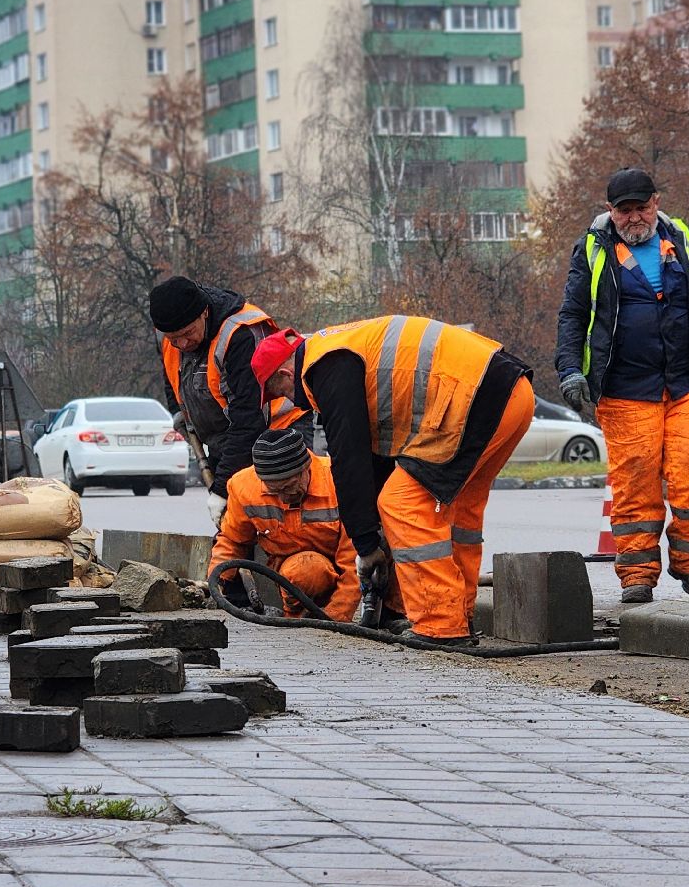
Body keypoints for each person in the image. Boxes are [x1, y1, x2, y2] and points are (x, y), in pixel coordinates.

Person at [250, 317, 534, 645]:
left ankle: (441, 627)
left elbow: (349, 458)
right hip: (511, 393)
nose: (291, 401)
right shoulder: (342, 350)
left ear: (285, 374)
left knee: (401, 502)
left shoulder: (326, 366)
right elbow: (375, 459)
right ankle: (458, 616)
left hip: (471, 399)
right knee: (458, 512)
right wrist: (372, 535)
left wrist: (366, 545)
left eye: (280, 392)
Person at [554, 168, 689, 605]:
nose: (634, 217)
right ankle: (637, 574)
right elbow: (573, 316)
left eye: (641, 207)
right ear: (610, 211)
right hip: (625, 389)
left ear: (655, 202)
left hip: (685, 382)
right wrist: (570, 371)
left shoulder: (683, 241)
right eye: (624, 210)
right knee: (635, 485)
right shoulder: (594, 249)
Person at [149, 276, 281, 524]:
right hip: (229, 437)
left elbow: (248, 419)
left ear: (205, 313)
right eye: (173, 338)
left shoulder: (241, 334)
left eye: (188, 333)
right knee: (233, 527)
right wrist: (179, 413)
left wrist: (221, 488)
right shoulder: (167, 336)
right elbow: (172, 377)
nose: (182, 344)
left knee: (274, 525)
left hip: (277, 434)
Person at [209, 428, 359, 622]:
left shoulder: (338, 480)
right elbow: (232, 541)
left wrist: (337, 617)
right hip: (292, 571)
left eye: (289, 487)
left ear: (306, 468)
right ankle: (296, 614)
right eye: (274, 490)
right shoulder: (243, 486)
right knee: (304, 570)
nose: (283, 497)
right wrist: (217, 586)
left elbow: (352, 558)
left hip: (338, 563)